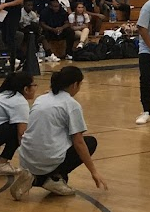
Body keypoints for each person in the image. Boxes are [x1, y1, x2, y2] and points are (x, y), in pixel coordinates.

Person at [11, 66, 106, 199]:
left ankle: (34, 177)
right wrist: (94, 172)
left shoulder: (41, 99)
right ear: (74, 85)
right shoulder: (71, 105)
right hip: (47, 158)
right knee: (89, 142)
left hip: (26, 158)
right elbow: (78, 142)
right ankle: (53, 179)